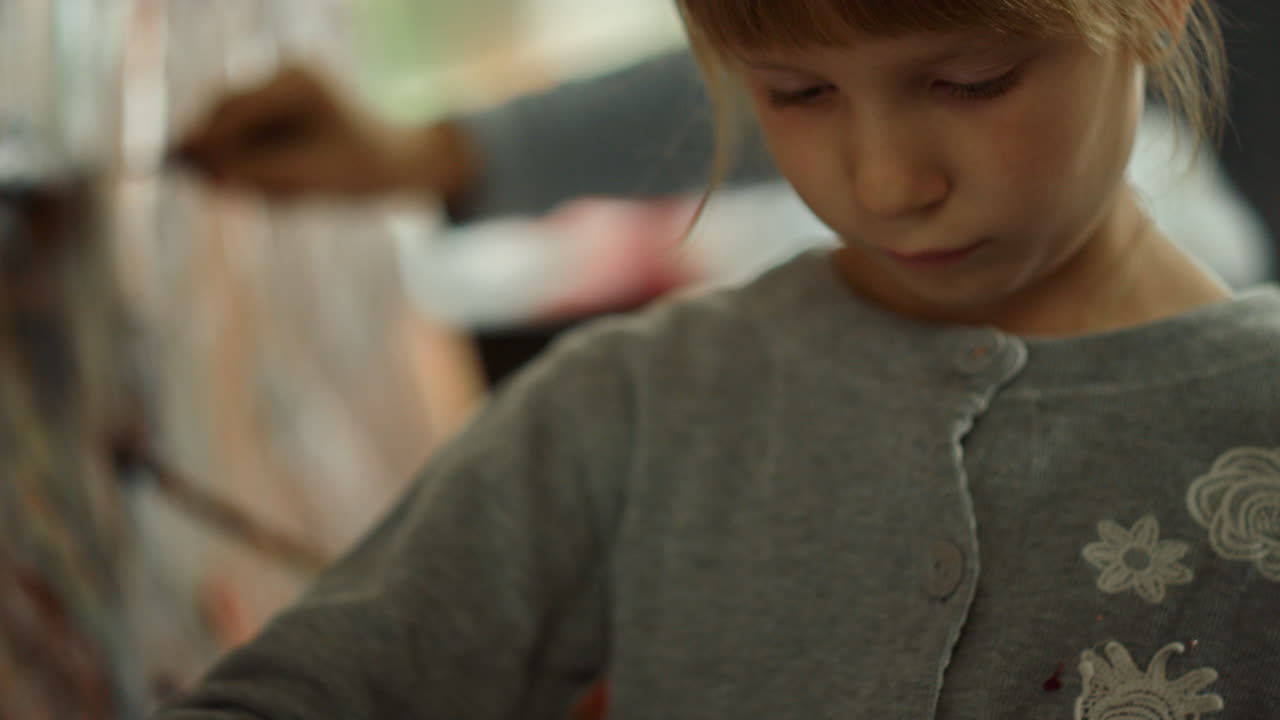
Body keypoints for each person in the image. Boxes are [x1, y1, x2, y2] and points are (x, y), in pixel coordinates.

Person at [158, 0, 1280, 717]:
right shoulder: (641, 406)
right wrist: (432, 150)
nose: (885, 184)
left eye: (973, 81)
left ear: (1154, 15)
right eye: (795, 94)